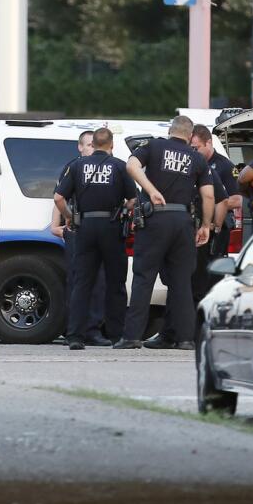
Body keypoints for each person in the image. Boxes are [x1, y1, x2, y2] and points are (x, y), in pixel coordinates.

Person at [117, 116, 213, 350]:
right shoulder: (197, 158)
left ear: (170, 130)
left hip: (155, 219)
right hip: (182, 222)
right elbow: (209, 195)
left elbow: (131, 166)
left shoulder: (153, 146)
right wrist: (206, 226)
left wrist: (151, 190)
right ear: (190, 136)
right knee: (181, 281)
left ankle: (131, 337)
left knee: (144, 277)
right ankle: (185, 338)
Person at [53, 127, 134, 350]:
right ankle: (117, 335)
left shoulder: (77, 166)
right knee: (115, 282)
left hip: (85, 226)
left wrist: (69, 218)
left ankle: (75, 336)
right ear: (111, 145)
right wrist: (123, 209)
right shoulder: (119, 166)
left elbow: (59, 198)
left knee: (82, 282)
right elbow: (133, 199)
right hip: (111, 225)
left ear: (94, 144)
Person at [51, 130, 112, 344]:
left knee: (99, 280)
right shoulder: (73, 167)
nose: (91, 148)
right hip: (77, 229)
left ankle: (93, 330)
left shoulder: (106, 167)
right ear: (79, 147)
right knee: (77, 280)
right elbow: (59, 197)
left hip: (97, 228)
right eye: (87, 145)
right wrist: (57, 224)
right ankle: (73, 329)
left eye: (93, 145)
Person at [190, 125, 237, 306]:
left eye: (196, 148)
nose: (193, 151)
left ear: (208, 143)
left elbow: (237, 198)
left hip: (217, 229)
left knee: (211, 277)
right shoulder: (193, 163)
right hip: (197, 227)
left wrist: (212, 203)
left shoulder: (224, 165)